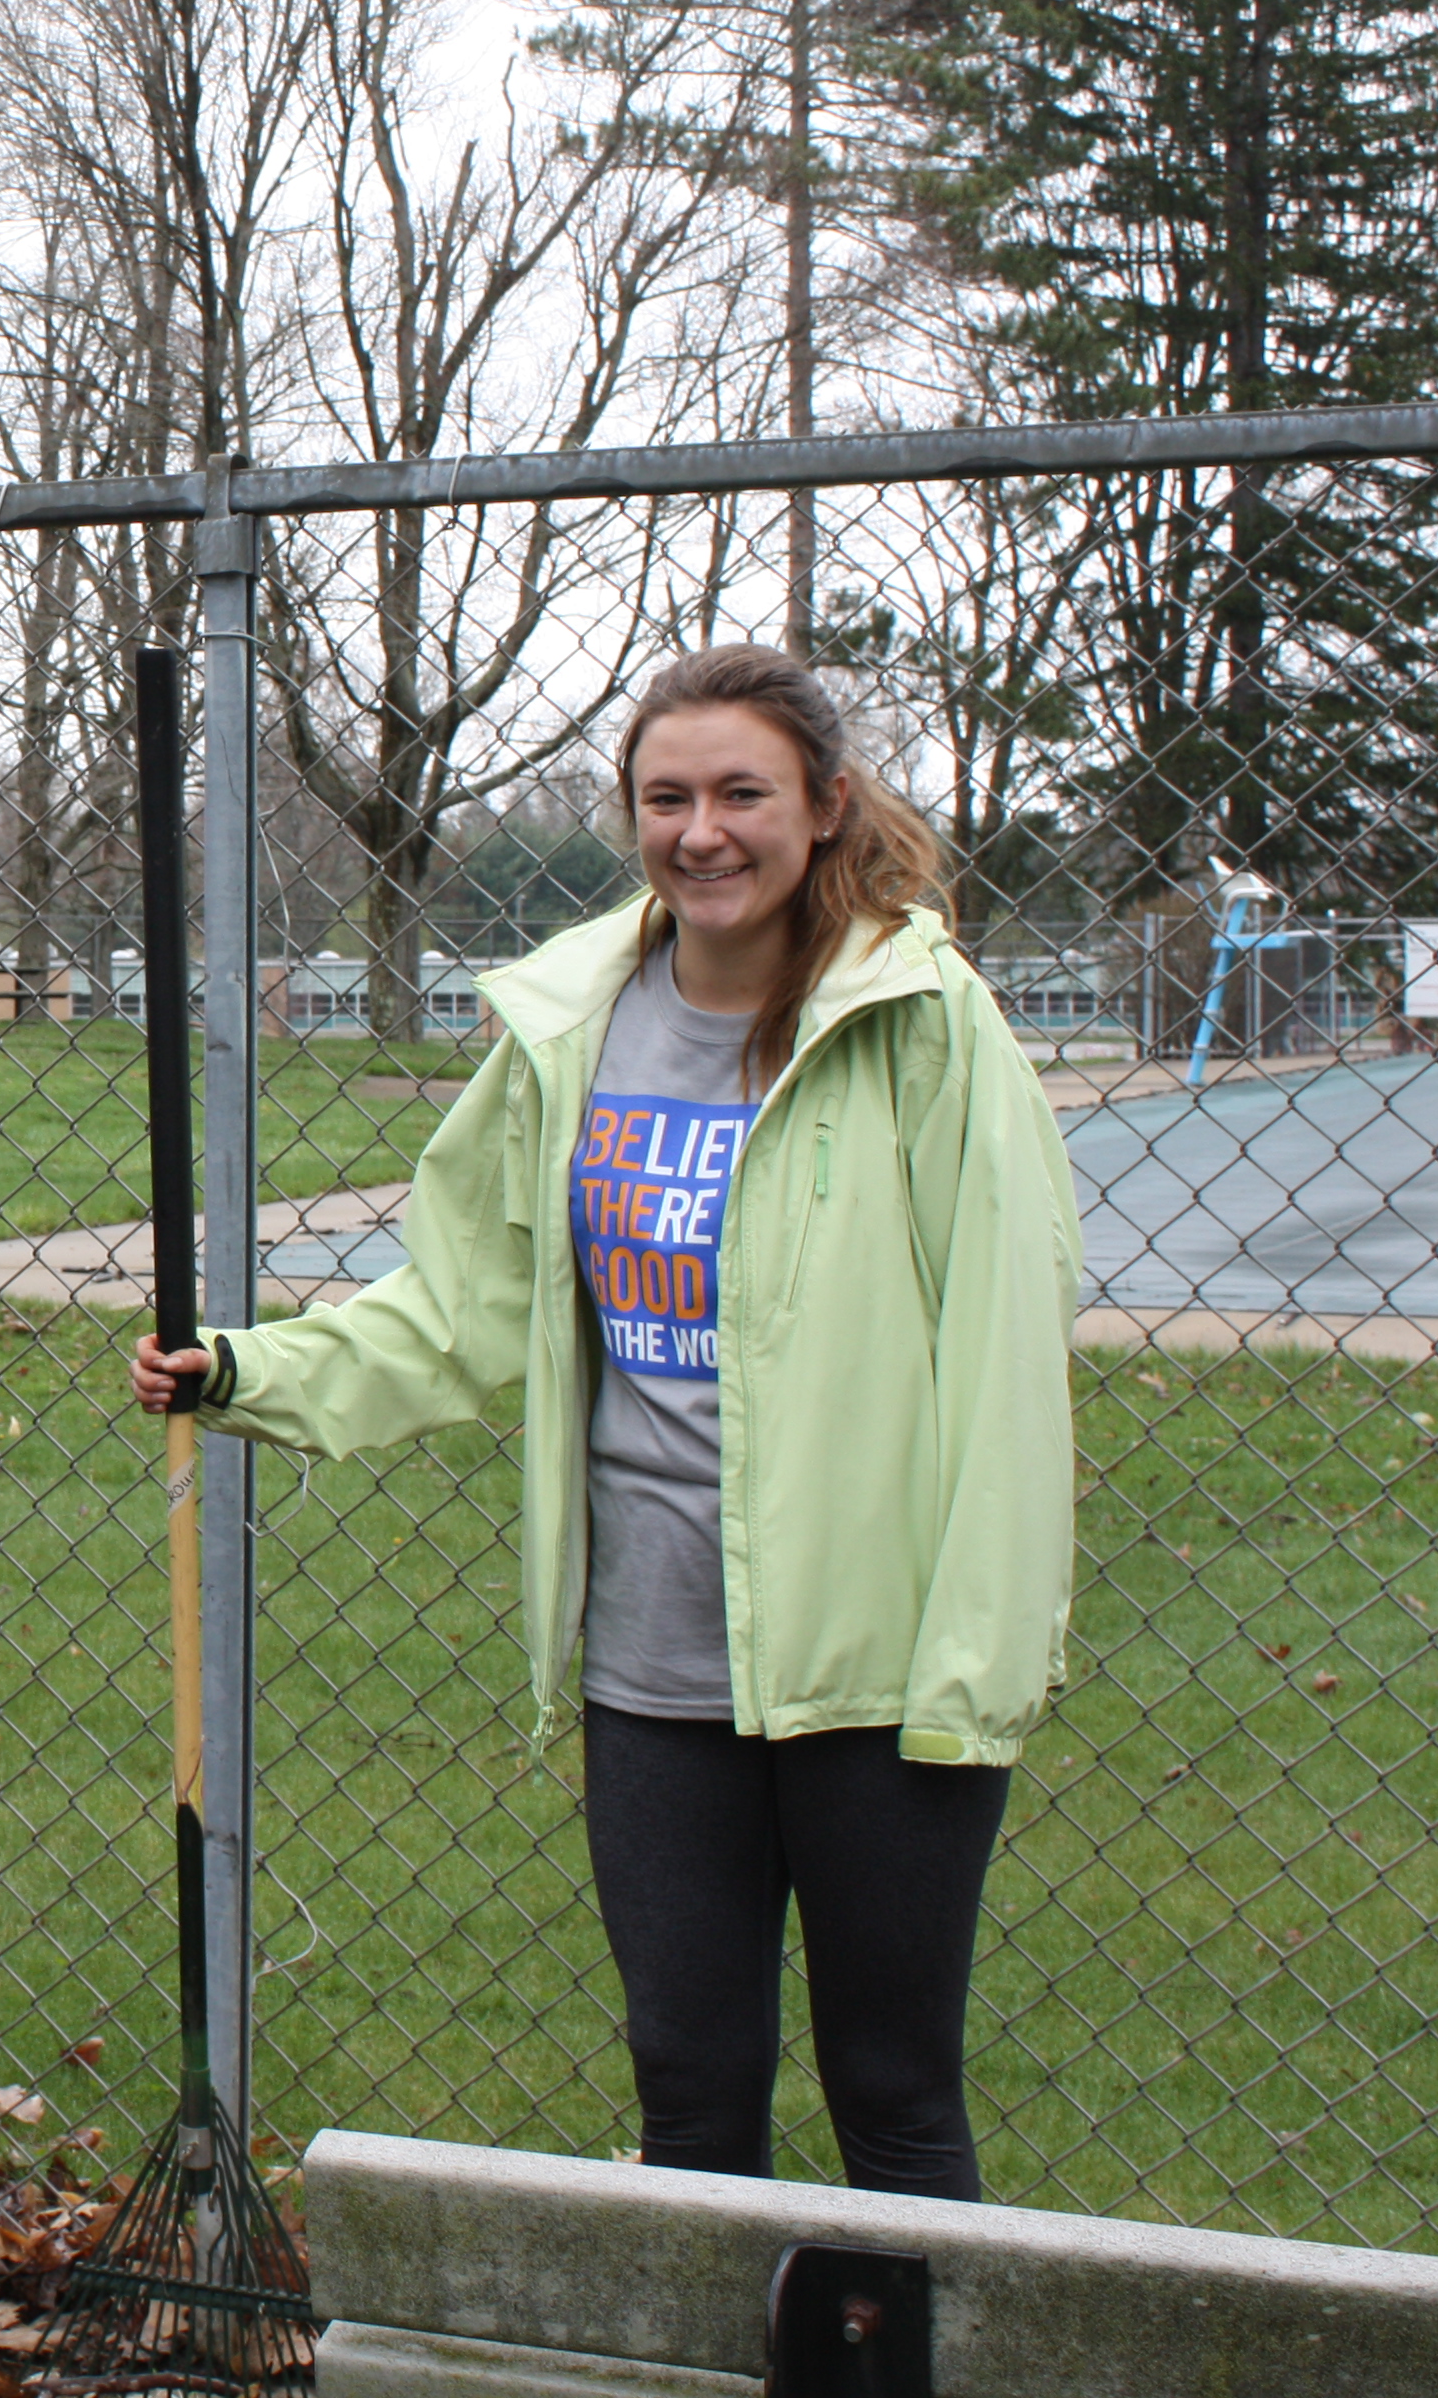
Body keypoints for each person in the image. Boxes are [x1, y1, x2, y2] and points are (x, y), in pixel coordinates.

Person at [132, 642, 1082, 2199]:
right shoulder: (579, 1030)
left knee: (895, 2096)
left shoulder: (926, 1023)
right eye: (666, 797)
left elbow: (1001, 1355)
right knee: (690, 2097)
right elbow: (462, 1302)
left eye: (742, 794)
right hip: (654, 1671)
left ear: (826, 806)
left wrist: (972, 1668)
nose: (701, 831)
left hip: (879, 1671)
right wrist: (247, 1372)